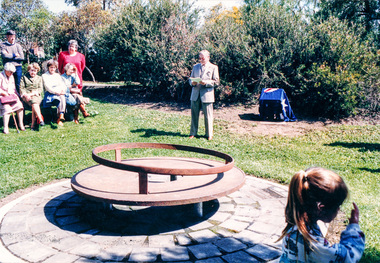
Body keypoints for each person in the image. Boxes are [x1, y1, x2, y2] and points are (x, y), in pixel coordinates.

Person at [278, 167, 365, 262]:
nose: (339, 209)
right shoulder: (313, 245)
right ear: (321, 209)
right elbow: (347, 257)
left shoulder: (295, 229)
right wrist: (353, 228)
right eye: (338, 205)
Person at [188, 50, 219, 140]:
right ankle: (193, 132)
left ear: (208, 58)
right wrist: (192, 82)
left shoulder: (214, 67)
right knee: (194, 114)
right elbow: (191, 79)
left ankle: (209, 134)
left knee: (208, 115)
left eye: (203, 58)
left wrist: (205, 82)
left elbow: (216, 82)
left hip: (207, 94)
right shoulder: (195, 67)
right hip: (195, 93)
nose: (201, 60)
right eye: (200, 58)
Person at [0, 63, 25, 134]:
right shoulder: (0, 76)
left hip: (11, 96)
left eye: (12, 72)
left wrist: (17, 96)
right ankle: (5, 127)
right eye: (10, 72)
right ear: (5, 70)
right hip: (2, 97)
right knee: (7, 109)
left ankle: (21, 124)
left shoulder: (11, 76)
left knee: (20, 105)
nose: (11, 73)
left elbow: (13, 88)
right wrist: (3, 93)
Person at [20, 63, 45, 130]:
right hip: (26, 96)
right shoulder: (24, 77)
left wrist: (33, 94)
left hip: (36, 95)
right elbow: (21, 88)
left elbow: (40, 89)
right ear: (29, 70)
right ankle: (40, 119)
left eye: (35, 71)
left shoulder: (39, 78)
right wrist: (26, 95)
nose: (33, 72)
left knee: (34, 102)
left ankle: (33, 125)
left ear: (37, 71)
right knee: (34, 102)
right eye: (31, 70)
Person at [42, 60, 67, 126]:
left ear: (56, 68)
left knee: (62, 97)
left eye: (54, 67)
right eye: (51, 67)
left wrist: (63, 90)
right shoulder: (44, 75)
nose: (52, 69)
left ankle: (61, 116)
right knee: (59, 98)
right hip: (50, 93)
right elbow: (47, 87)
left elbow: (62, 84)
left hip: (58, 92)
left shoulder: (57, 75)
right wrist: (56, 92)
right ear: (48, 68)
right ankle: (59, 116)